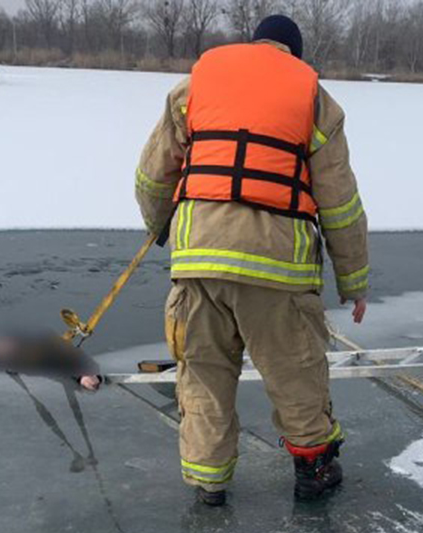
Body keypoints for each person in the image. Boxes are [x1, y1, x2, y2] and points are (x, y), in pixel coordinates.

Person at [133, 14, 370, 506]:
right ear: (294, 56)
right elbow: (340, 204)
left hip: (199, 267)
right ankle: (314, 471)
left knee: (202, 377)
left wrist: (162, 229)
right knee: (296, 375)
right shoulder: (316, 103)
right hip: (278, 272)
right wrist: (353, 281)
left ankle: (208, 484)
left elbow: (153, 176)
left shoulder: (192, 89)